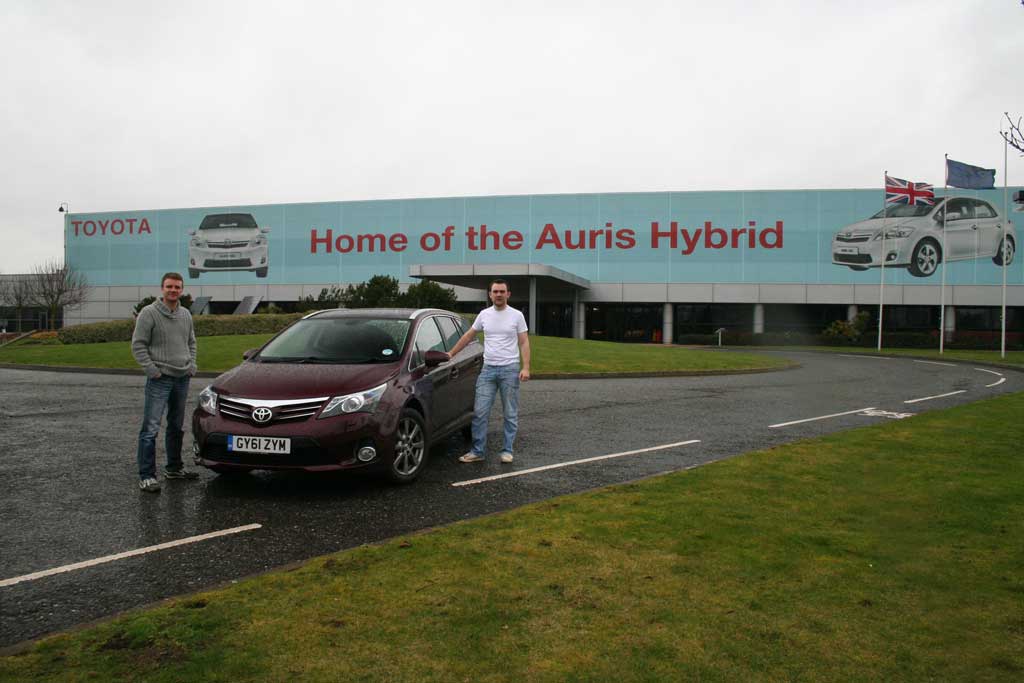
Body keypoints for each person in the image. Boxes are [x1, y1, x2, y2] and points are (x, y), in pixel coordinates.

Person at [446, 279, 530, 464]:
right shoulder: (484, 315)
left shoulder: (516, 315)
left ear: (508, 294)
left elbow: (524, 341)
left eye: (502, 291)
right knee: (480, 412)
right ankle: (477, 451)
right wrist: (451, 353)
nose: (498, 294)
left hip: (510, 369)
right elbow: (469, 336)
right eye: (495, 291)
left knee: (510, 413)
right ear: (490, 294)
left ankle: (507, 450)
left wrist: (525, 367)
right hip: (488, 370)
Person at [131, 272, 199, 492]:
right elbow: (138, 345)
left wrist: (191, 365)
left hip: (182, 378)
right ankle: (147, 476)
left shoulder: (186, 314)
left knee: (176, 426)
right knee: (150, 429)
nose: (173, 290)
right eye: (169, 286)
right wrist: (152, 370)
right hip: (160, 379)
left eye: (177, 287)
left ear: (181, 289)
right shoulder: (148, 313)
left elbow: (191, 342)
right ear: (162, 288)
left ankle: (174, 468)